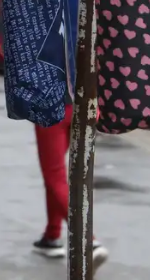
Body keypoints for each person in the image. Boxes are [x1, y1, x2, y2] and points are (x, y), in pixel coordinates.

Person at [33, 106, 108, 266]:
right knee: (55, 176)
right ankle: (52, 235)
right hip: (87, 108)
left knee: (54, 175)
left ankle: (88, 240)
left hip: (51, 108)